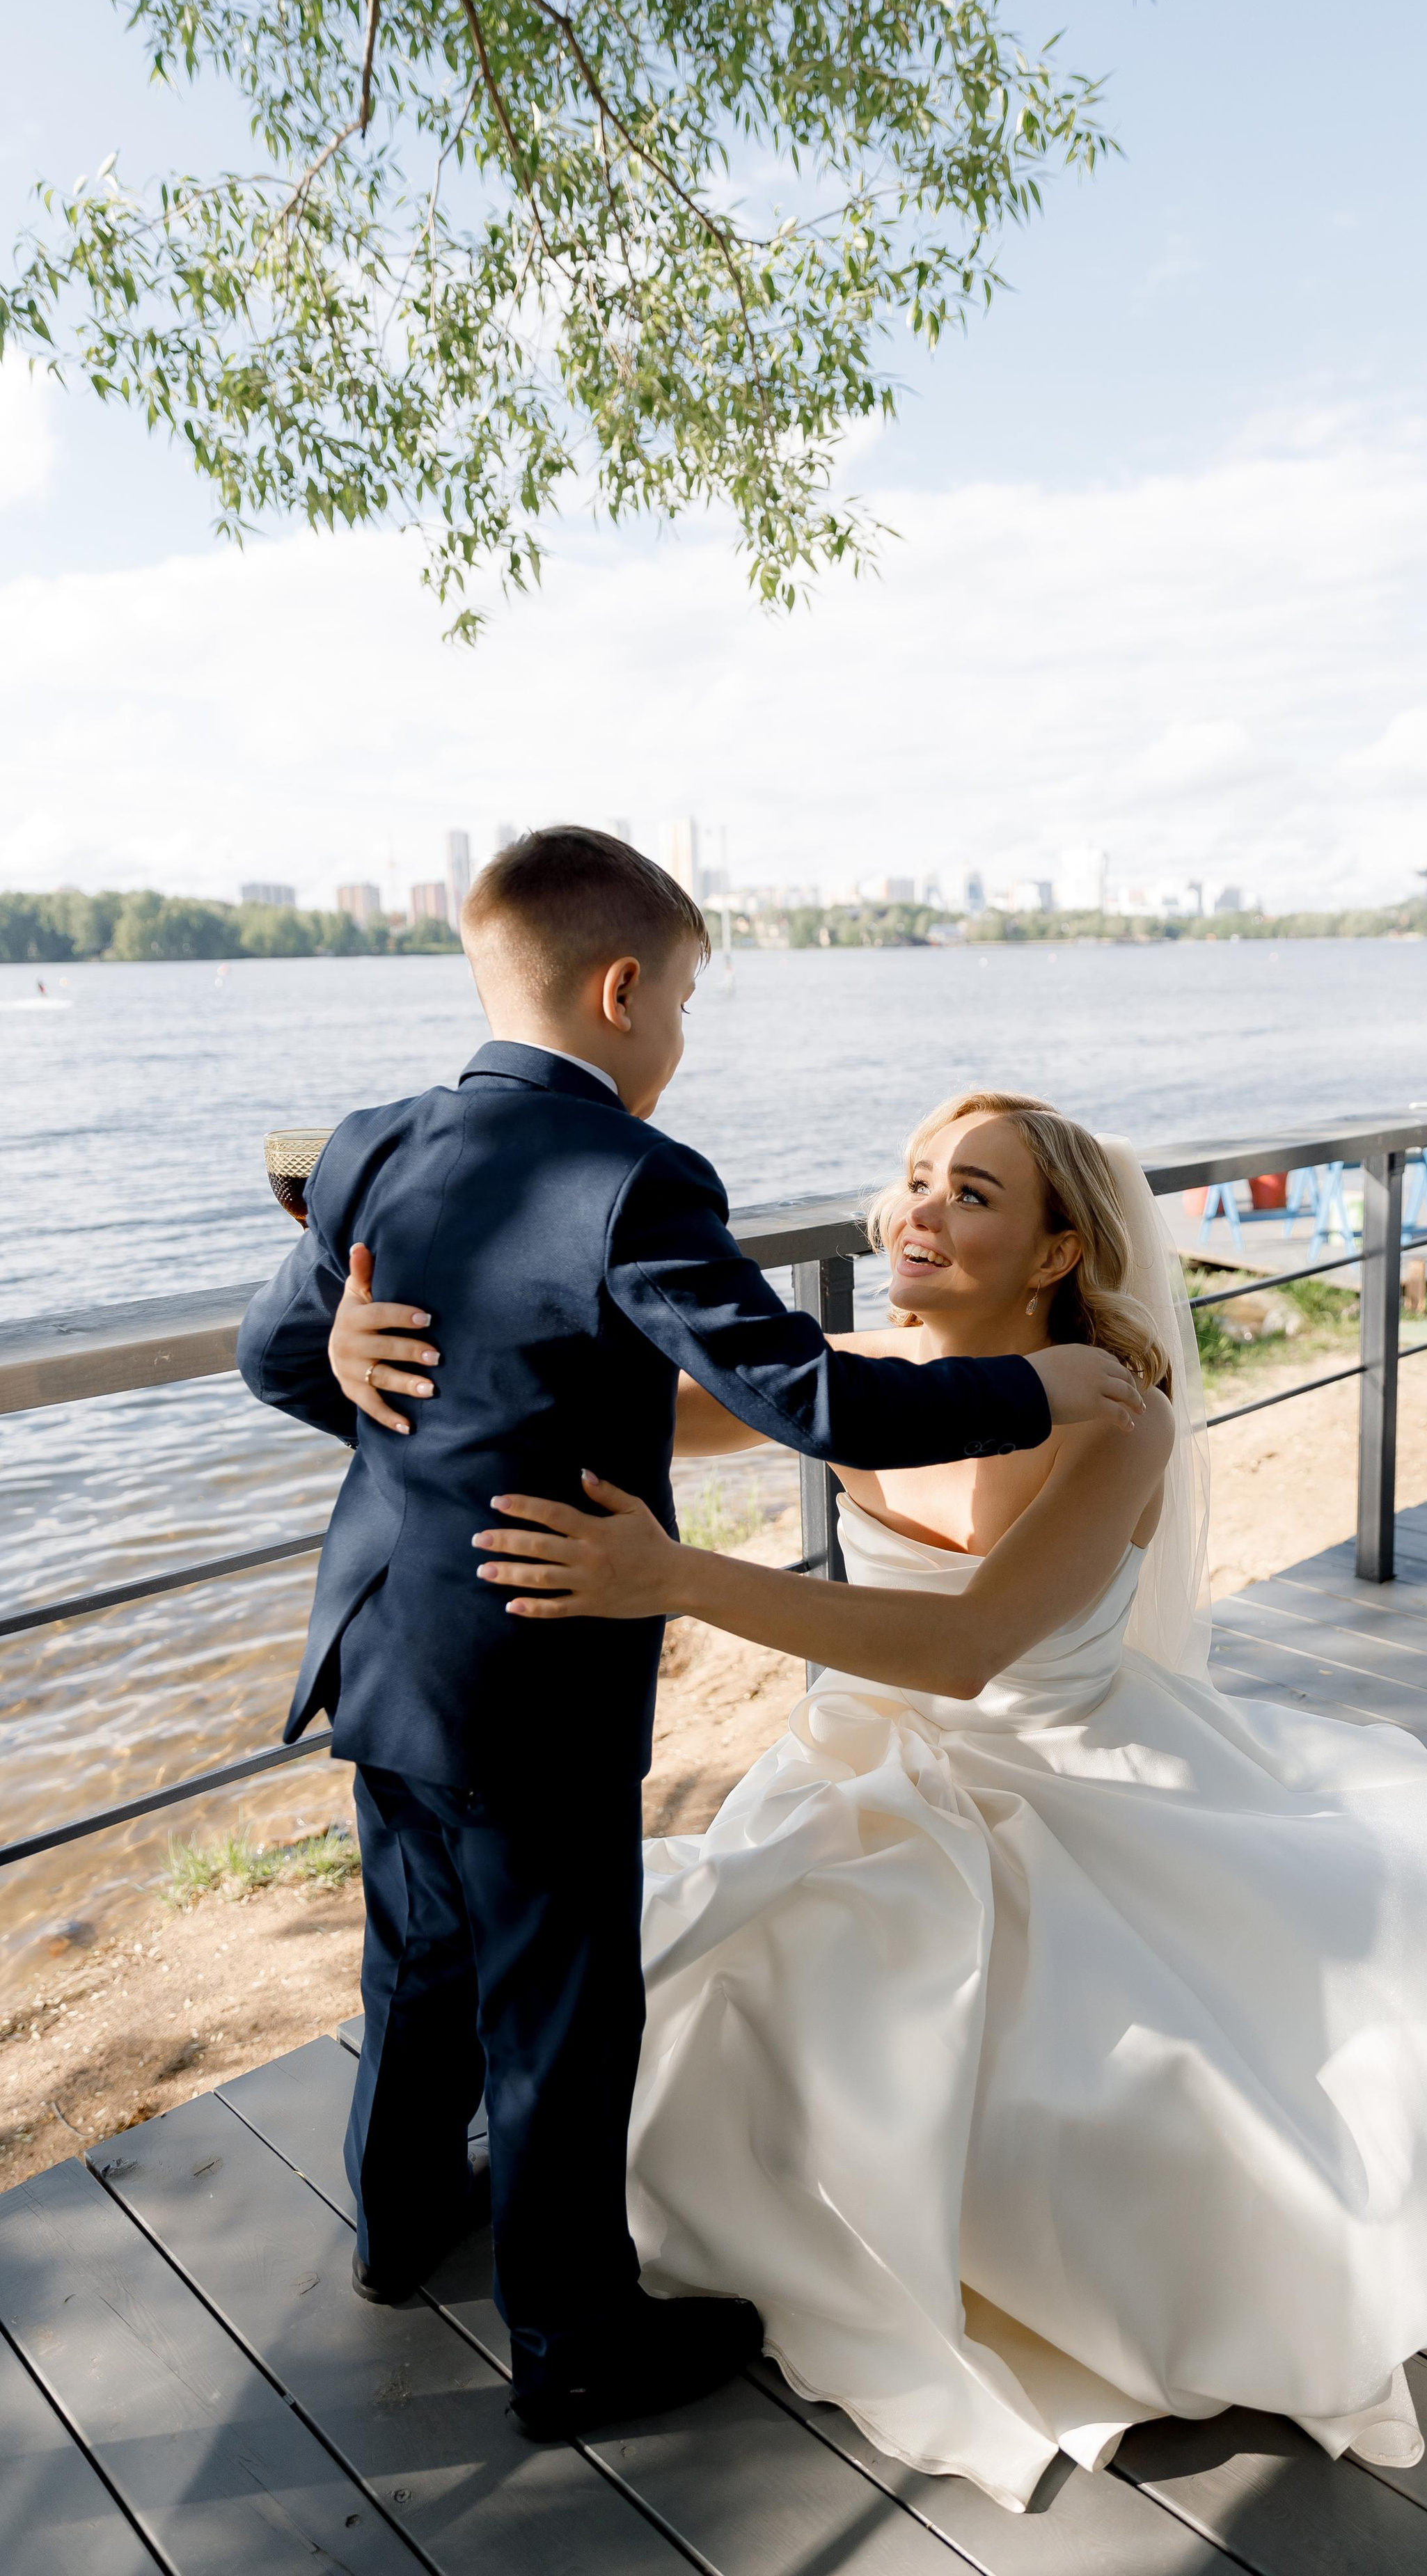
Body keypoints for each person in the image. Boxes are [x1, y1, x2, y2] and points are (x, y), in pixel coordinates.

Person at [336, 1085, 1427, 2511]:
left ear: (1052, 1254)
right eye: (913, 1174)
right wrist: (356, 1347)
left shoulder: (1113, 1418)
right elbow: (578, 1406)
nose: (919, 1207)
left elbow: (962, 1653)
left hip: (1063, 1770)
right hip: (861, 1767)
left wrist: (676, 1579)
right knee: (699, 2006)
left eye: (971, 1192)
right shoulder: (852, 1364)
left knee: (1110, 2096)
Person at [236, 835, 1143, 2447]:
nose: (681, 1042)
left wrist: (344, 1360)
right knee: (560, 2011)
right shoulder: (636, 1177)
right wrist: (1034, 1384)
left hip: (380, 1650)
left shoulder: (375, 1142)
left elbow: (273, 1358)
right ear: (623, 989)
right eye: (688, 1002)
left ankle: (390, 2233)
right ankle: (572, 2340)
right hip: (534, 1662)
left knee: (417, 1965)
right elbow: (804, 1394)